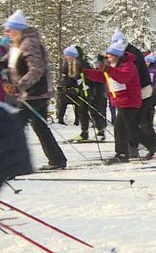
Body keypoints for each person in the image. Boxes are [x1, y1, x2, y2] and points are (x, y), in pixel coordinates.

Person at [3, 10, 67, 170]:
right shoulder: (16, 45)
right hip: (27, 94)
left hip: (36, 93)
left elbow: (36, 69)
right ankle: (57, 160)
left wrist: (18, 86)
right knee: (38, 127)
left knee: (15, 125)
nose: (6, 33)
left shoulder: (29, 43)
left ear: (18, 30)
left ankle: (12, 163)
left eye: (9, 30)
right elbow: (6, 63)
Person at [82, 40, 144, 164]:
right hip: (121, 101)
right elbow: (101, 76)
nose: (108, 58)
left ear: (117, 56)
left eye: (109, 56)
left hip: (129, 101)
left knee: (121, 128)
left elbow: (122, 77)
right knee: (124, 127)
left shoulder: (128, 66)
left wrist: (108, 69)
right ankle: (125, 152)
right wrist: (85, 72)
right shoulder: (114, 67)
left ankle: (124, 153)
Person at [110, 31, 156, 159]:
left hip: (141, 90)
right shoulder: (128, 52)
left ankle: (139, 146)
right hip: (137, 90)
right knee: (133, 121)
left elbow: (128, 74)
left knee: (134, 121)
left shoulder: (130, 54)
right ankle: (141, 146)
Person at [62, 45, 97, 141]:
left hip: (88, 90)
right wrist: (69, 87)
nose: (66, 58)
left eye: (67, 56)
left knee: (91, 110)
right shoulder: (70, 64)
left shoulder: (81, 63)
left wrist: (85, 85)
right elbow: (70, 78)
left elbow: (89, 76)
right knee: (82, 111)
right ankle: (84, 132)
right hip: (81, 91)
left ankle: (100, 130)